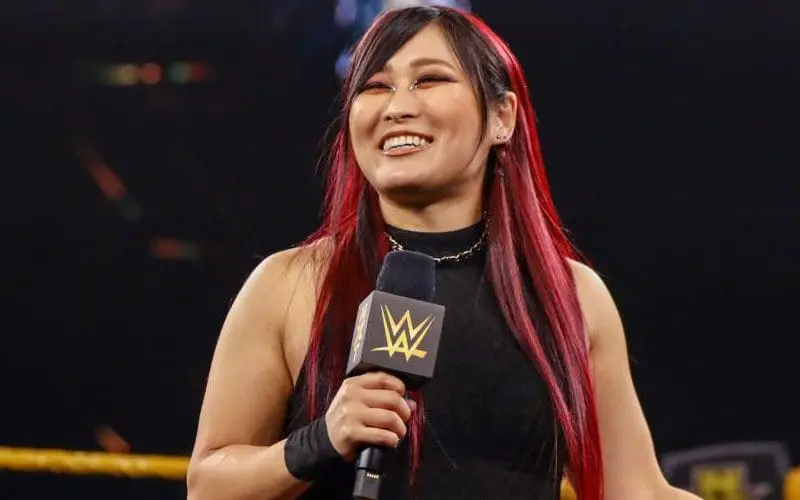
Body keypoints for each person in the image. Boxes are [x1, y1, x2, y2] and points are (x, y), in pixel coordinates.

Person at [186, 6, 702, 500]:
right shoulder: (290, 284)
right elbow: (208, 486)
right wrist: (320, 439)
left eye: (429, 79)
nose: (397, 107)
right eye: (375, 86)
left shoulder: (569, 296)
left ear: (502, 116)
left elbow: (636, 490)